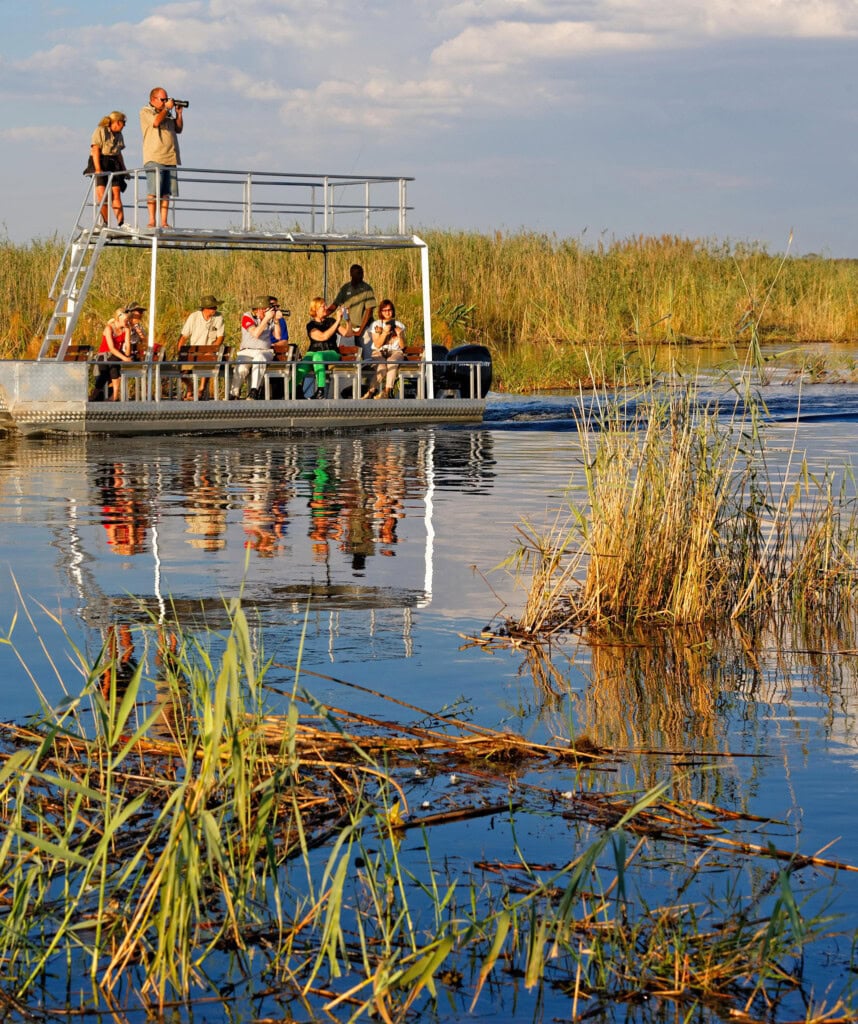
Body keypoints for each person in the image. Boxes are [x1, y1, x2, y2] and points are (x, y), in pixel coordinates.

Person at [140, 87, 184, 229]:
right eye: (162, 99)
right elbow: (156, 122)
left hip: (170, 157)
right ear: (153, 99)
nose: (166, 102)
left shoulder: (168, 114)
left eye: (167, 99)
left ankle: (164, 222)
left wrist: (178, 114)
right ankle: (152, 221)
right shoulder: (146, 111)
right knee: (153, 191)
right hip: (154, 156)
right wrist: (166, 109)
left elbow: (179, 129)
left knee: (166, 192)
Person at [230, 295, 286, 399]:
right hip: (247, 351)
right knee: (241, 367)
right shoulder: (247, 316)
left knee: (260, 358)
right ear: (259, 309)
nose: (267, 312)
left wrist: (276, 321)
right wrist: (266, 319)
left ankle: (254, 390)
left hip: (264, 351)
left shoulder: (270, 319)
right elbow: (255, 333)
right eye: (266, 309)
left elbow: (278, 336)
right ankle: (234, 393)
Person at [177, 294, 225, 399]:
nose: (215, 309)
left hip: (209, 352)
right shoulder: (194, 317)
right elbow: (184, 336)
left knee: (207, 359)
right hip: (194, 352)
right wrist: (180, 351)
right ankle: (190, 386)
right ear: (205, 308)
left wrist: (212, 350)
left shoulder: (218, 317)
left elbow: (220, 337)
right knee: (180, 368)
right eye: (213, 307)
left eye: (215, 307)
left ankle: (201, 389)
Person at [87, 112, 128, 227]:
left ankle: (121, 223)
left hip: (113, 162)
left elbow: (119, 153)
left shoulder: (119, 135)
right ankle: (105, 222)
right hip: (100, 161)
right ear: (118, 122)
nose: (124, 125)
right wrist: (98, 169)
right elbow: (95, 149)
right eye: (124, 123)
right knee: (102, 194)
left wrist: (124, 170)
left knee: (116, 194)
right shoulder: (100, 130)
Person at [303, 297, 347, 398]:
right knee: (301, 366)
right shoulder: (311, 325)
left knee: (318, 356)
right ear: (315, 310)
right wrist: (337, 322)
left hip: (331, 353)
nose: (326, 308)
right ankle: (292, 393)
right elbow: (323, 337)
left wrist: (346, 320)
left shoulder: (331, 321)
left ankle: (320, 391)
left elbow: (347, 333)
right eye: (323, 306)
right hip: (313, 353)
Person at [362, 299, 406, 399]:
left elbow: (403, 346)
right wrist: (385, 333)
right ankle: (370, 392)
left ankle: (386, 391)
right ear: (381, 312)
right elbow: (377, 344)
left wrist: (400, 335)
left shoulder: (399, 325)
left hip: (395, 352)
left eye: (389, 310)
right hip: (379, 352)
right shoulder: (376, 325)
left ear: (393, 311)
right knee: (381, 367)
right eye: (384, 310)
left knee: (392, 362)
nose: (387, 312)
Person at [328, 264, 376, 349]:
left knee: (366, 355)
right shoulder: (345, 288)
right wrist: (325, 313)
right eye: (357, 273)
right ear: (351, 274)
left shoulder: (367, 289)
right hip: (349, 328)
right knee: (350, 354)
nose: (360, 275)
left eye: (361, 273)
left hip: (364, 328)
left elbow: (369, 311)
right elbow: (335, 304)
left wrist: (361, 330)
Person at [91, 308, 133, 402]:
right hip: (104, 355)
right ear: (118, 319)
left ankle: (114, 395)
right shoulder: (109, 328)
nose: (128, 322)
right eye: (126, 320)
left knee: (113, 365)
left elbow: (127, 345)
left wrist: (127, 354)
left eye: (128, 320)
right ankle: (104, 395)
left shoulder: (126, 329)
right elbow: (111, 348)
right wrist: (124, 358)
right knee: (106, 373)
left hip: (116, 356)